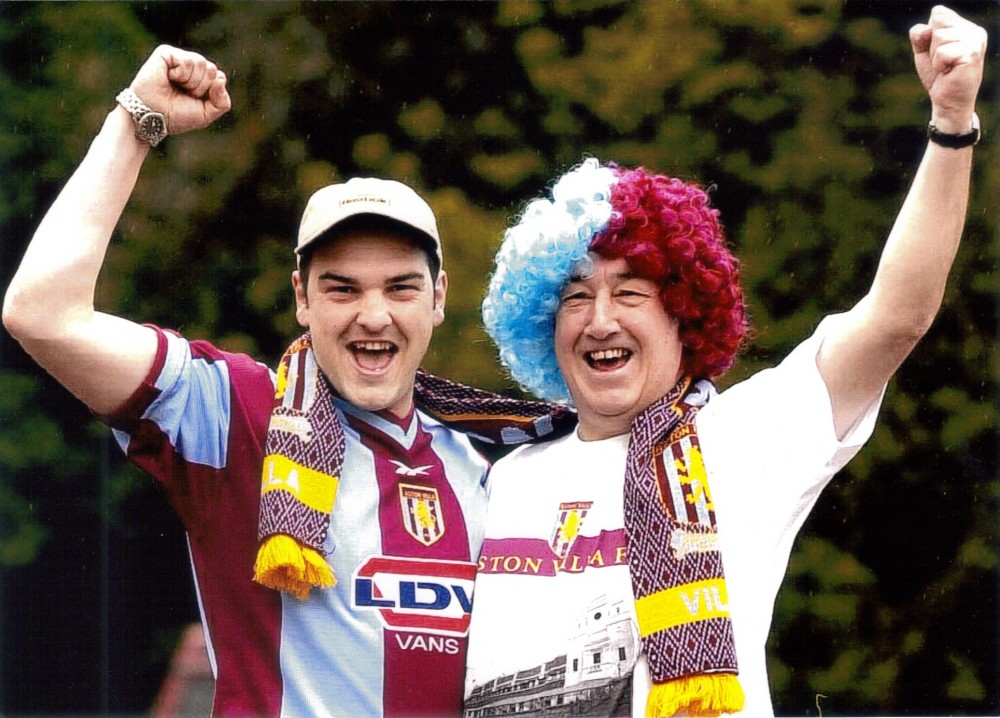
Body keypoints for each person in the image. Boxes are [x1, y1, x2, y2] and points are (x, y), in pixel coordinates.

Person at [2, 45, 565, 717]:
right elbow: (42, 314)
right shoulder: (236, 413)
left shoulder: (504, 463)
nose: (373, 314)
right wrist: (137, 121)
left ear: (439, 297)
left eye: (401, 287)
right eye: (342, 288)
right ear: (302, 298)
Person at [463, 6, 986, 717]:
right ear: (542, 325)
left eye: (631, 291)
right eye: (575, 297)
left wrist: (951, 127)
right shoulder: (496, 476)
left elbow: (897, 318)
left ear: (685, 313)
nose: (601, 319)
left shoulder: (739, 439)